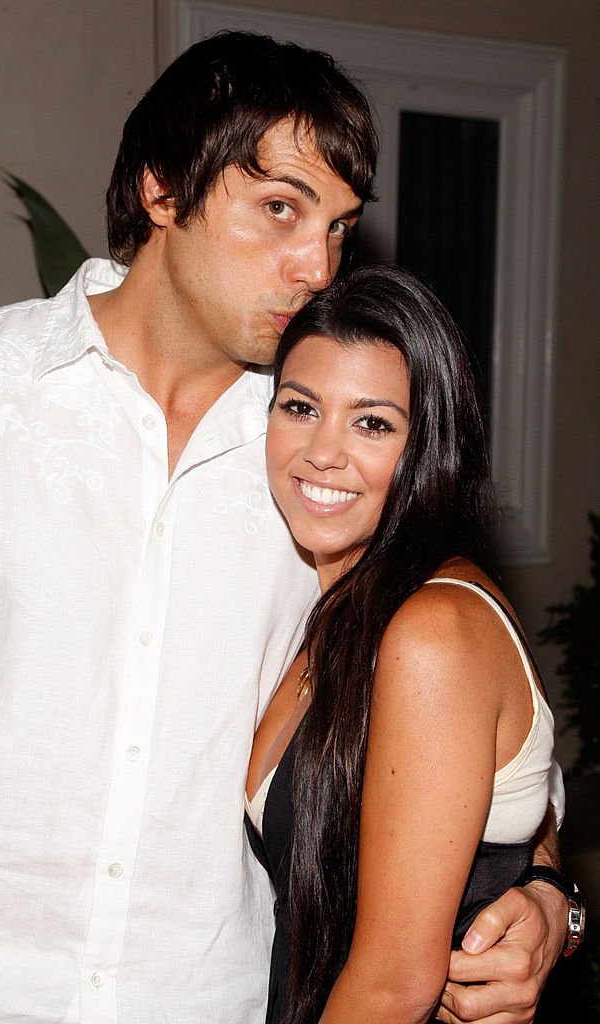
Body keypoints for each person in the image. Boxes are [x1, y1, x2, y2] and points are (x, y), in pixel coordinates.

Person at [0, 29, 570, 1024]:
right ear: (161, 190)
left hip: (212, 1000)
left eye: (339, 229)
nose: (315, 265)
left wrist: (547, 897)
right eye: (279, 209)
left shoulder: (321, 459)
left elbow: (486, 743)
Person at [245, 262, 565, 1024]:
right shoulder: (333, 601)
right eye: (299, 406)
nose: (323, 452)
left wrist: (554, 904)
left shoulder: (432, 631)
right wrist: (555, 891)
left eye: (372, 422)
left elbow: (394, 986)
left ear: (430, 446)